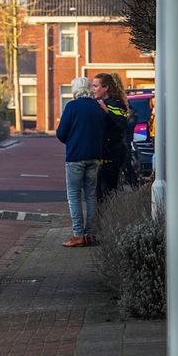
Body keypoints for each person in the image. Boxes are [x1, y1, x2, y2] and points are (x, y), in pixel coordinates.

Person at [55, 76, 105, 247]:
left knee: (74, 196)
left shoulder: (72, 107)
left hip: (76, 156)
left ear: (75, 90)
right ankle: (91, 234)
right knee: (91, 196)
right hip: (95, 157)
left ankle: (78, 235)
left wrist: (72, 140)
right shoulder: (97, 108)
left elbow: (61, 132)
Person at [93, 72, 132, 201]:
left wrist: (107, 112)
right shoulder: (101, 103)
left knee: (106, 194)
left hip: (112, 156)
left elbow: (122, 124)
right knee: (99, 195)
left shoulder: (114, 104)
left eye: (96, 86)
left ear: (105, 88)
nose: (93, 89)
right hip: (103, 155)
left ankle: (108, 219)